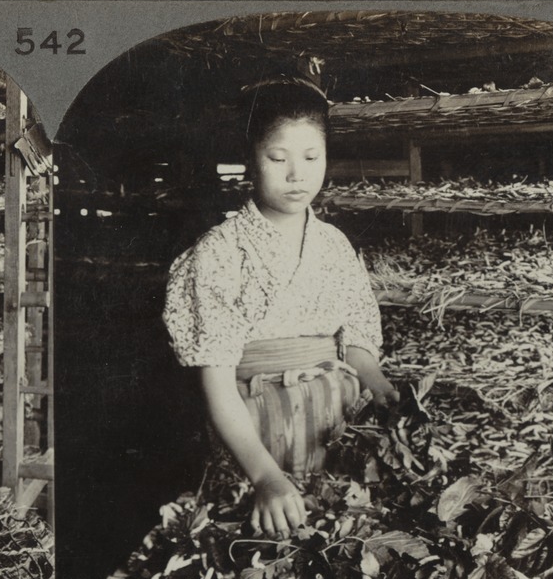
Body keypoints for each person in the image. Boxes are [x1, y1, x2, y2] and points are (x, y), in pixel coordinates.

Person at [163, 77, 398, 540]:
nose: (297, 175)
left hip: (336, 434)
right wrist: (266, 478)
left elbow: (354, 338)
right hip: (254, 442)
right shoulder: (218, 252)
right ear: (251, 160)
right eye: (277, 158)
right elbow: (217, 385)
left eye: (311, 158)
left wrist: (378, 384)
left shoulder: (334, 245)